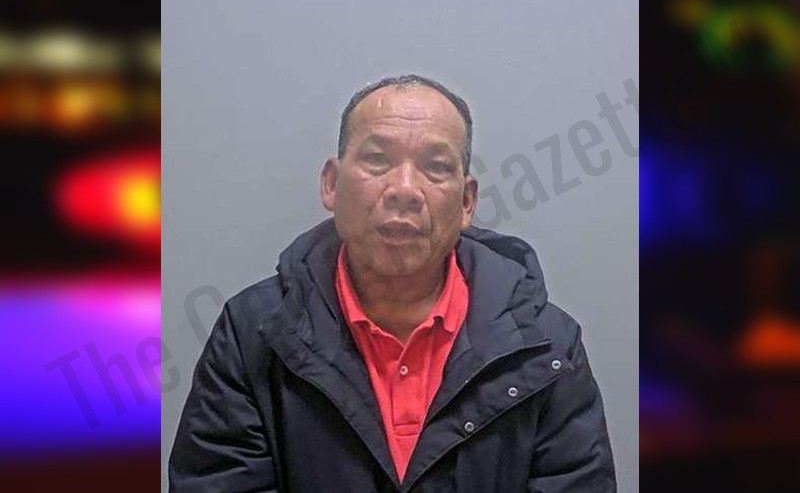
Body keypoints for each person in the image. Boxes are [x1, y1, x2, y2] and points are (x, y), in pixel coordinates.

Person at [169, 74, 616, 492]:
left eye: (435, 167)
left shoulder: (547, 346)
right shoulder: (252, 333)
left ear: (466, 202)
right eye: (377, 160)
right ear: (331, 184)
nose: (404, 189)